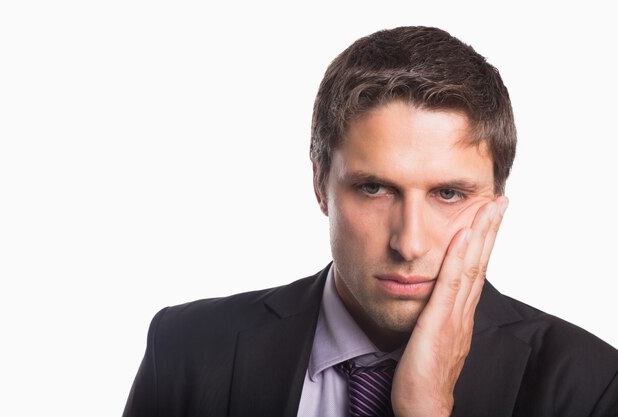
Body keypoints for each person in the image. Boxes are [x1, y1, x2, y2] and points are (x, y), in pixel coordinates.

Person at [123, 26, 618, 417]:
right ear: (320, 185)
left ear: (496, 203)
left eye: (448, 194)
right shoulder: (185, 351)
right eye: (374, 188)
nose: (409, 242)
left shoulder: (590, 384)